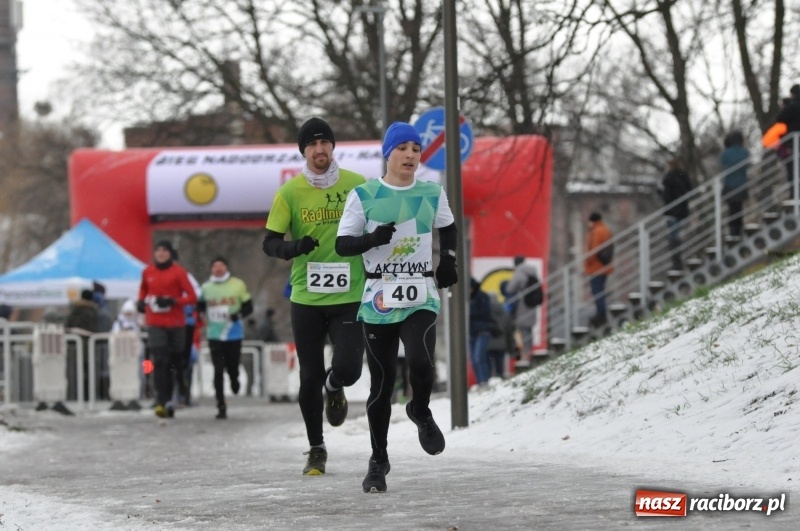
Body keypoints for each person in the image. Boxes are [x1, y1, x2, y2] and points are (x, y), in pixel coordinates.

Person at [336, 121, 459, 493]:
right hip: (379, 297)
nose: (410, 155)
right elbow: (343, 245)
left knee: (420, 360)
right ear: (388, 153)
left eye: (416, 149)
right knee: (382, 383)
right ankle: (378, 459)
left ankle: (420, 409)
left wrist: (448, 260)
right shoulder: (364, 194)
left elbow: (449, 227)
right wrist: (371, 239)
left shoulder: (432, 192)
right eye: (402, 148)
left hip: (420, 291)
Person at [262, 117, 367, 476]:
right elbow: (269, 243)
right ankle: (316, 449)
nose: (319, 150)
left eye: (325, 143)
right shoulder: (290, 192)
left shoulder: (358, 185)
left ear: (333, 147)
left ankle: (334, 386)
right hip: (307, 298)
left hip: (350, 294)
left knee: (350, 368)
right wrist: (294, 247)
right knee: (309, 376)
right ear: (303, 151)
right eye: (312, 144)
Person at [136, 240, 197, 419]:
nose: (161, 254)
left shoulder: (179, 272)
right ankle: (161, 400)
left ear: (170, 253)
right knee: (160, 360)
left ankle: (176, 394)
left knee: (174, 363)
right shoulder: (148, 272)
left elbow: (192, 296)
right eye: (158, 251)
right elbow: (143, 290)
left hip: (176, 324)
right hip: (155, 322)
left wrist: (173, 301)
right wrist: (141, 302)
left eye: (164, 251)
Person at [198, 256, 253, 420]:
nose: (218, 269)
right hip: (214, 335)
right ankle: (221, 405)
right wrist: (201, 313)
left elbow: (249, 306)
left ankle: (235, 379)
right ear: (211, 269)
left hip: (233, 333)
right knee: (218, 369)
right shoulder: (206, 287)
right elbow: (200, 305)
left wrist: (238, 315)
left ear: (227, 267)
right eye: (215, 266)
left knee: (232, 366)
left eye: (221, 265)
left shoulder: (238, 284)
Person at [505, 256, 542, 368]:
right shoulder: (533, 272)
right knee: (529, 332)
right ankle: (528, 354)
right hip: (531, 307)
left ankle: (525, 356)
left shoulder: (519, 273)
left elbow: (510, 289)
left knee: (523, 331)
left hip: (522, 307)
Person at [65, 289, 99, 401]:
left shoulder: (74, 309)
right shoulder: (92, 311)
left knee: (75, 373)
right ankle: (88, 396)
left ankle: (75, 396)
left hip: (74, 346)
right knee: (89, 372)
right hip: (89, 346)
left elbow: (67, 326)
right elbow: (94, 329)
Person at [659, 158, 692, 269]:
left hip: (672, 211)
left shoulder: (669, 178)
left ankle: (676, 263)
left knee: (673, 237)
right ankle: (679, 261)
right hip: (681, 210)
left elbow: (666, 195)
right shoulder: (683, 175)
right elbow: (688, 189)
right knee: (677, 235)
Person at [111, 299, 145, 401]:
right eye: (127, 313)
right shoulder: (118, 322)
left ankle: (139, 394)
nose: (129, 316)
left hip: (136, 353)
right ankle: (120, 395)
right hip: (120, 353)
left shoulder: (138, 322)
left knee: (138, 374)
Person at [585, 212, 614, 327]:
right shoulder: (605, 229)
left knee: (597, 292)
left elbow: (594, 249)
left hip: (596, 268)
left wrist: (588, 261)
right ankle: (601, 314)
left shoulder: (596, 231)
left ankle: (601, 315)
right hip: (603, 267)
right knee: (599, 291)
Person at [720, 131, 750, 238]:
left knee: (732, 211)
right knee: (739, 210)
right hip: (741, 185)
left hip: (729, 185)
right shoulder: (744, 152)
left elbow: (722, 162)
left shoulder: (726, 153)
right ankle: (738, 231)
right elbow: (746, 164)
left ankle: (733, 232)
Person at [775, 85, 800, 197]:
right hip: (793, 143)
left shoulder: (792, 106)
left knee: (792, 172)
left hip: (792, 144)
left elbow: (780, 119)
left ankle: (794, 195)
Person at [468, 277, 492, 388]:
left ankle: (484, 381)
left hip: (482, 331)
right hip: (472, 332)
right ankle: (480, 381)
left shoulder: (482, 297)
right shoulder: (468, 298)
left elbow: (486, 313)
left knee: (479, 357)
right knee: (474, 359)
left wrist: (470, 312)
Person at [487, 291, 514, 379]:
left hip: (488, 343)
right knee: (500, 366)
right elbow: (509, 331)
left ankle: (490, 381)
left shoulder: (485, 313)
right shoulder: (505, 312)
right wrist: (511, 347)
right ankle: (500, 378)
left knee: (489, 368)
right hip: (502, 344)